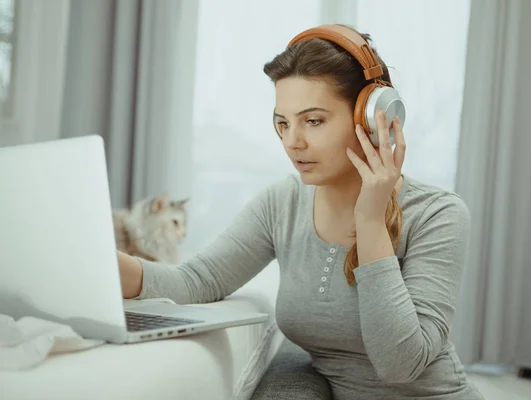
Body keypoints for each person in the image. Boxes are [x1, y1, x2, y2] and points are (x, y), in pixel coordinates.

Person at [117, 24, 485, 400]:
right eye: (283, 123)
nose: (293, 143)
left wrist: (371, 220)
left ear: (372, 121)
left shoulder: (439, 215)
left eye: (313, 121)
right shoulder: (282, 203)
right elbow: (197, 281)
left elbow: (400, 365)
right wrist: (96, 262)